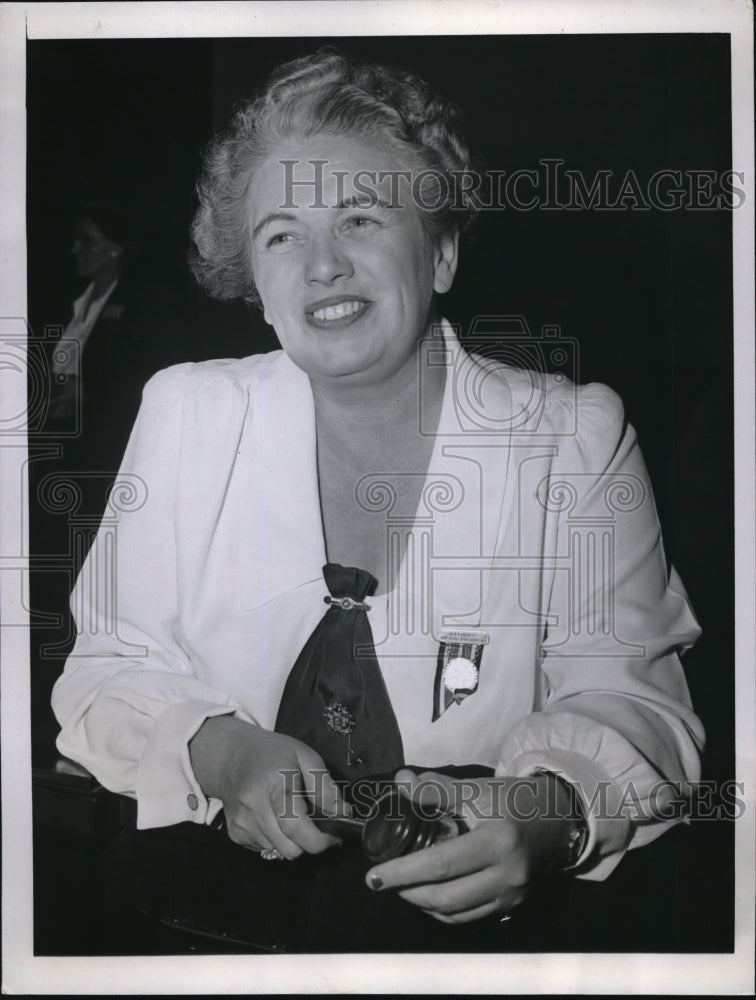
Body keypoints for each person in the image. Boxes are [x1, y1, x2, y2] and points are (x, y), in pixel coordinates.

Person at [51, 49, 705, 949]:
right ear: (253, 281)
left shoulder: (572, 439)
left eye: (360, 218)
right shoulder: (188, 411)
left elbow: (638, 704)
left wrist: (544, 816)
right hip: (204, 912)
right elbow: (101, 672)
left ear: (439, 252)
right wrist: (222, 751)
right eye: (281, 234)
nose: (321, 265)